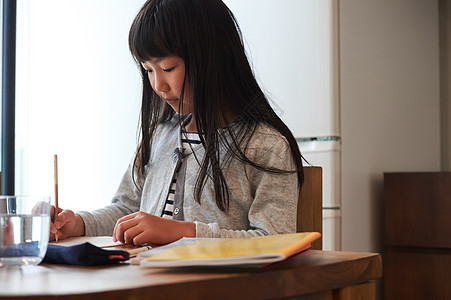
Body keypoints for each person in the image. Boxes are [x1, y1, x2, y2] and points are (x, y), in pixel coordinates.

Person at [50, 0, 304, 246]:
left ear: (212, 58)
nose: (158, 86)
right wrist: (79, 224)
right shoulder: (160, 135)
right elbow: (127, 210)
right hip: (149, 282)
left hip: (215, 289)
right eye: (148, 70)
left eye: (168, 68)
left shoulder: (267, 147)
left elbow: (274, 240)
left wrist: (183, 232)